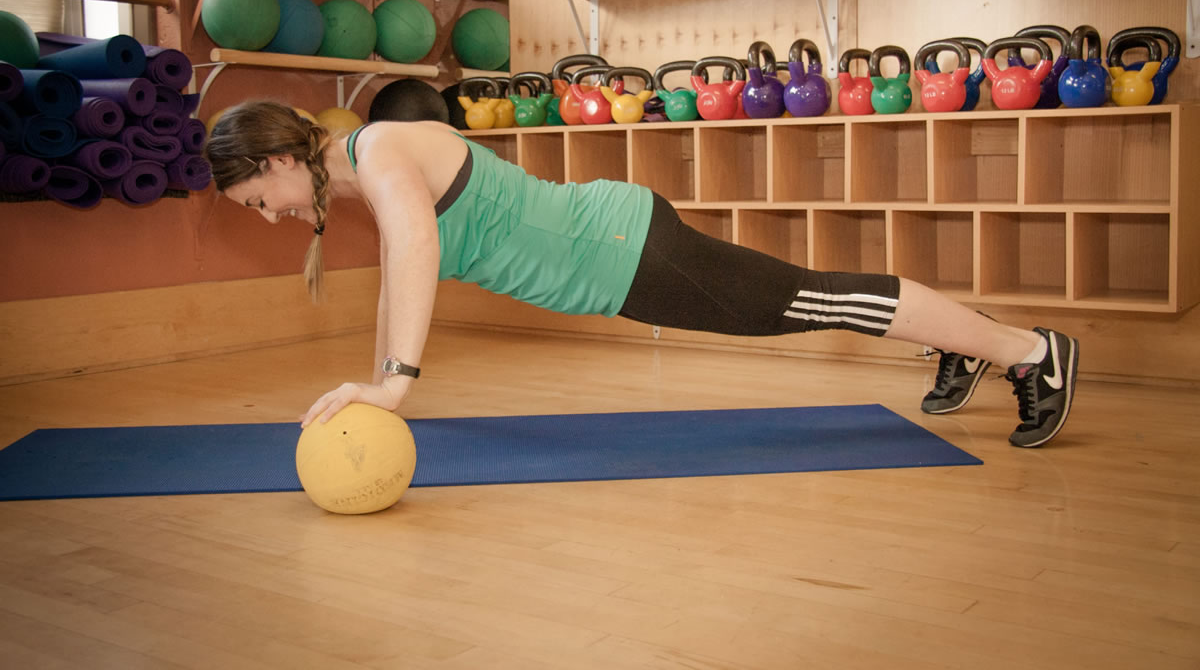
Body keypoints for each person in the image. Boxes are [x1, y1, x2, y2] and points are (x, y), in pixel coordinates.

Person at [204, 101, 1078, 448]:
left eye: (259, 199)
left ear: (284, 157)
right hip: (621, 253)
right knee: (817, 296)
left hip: (629, 252)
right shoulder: (367, 169)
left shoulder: (384, 149)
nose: (271, 217)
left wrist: (394, 385)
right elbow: (399, 273)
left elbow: (420, 255)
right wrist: (376, 379)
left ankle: (1031, 350)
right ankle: (966, 347)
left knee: (816, 298)